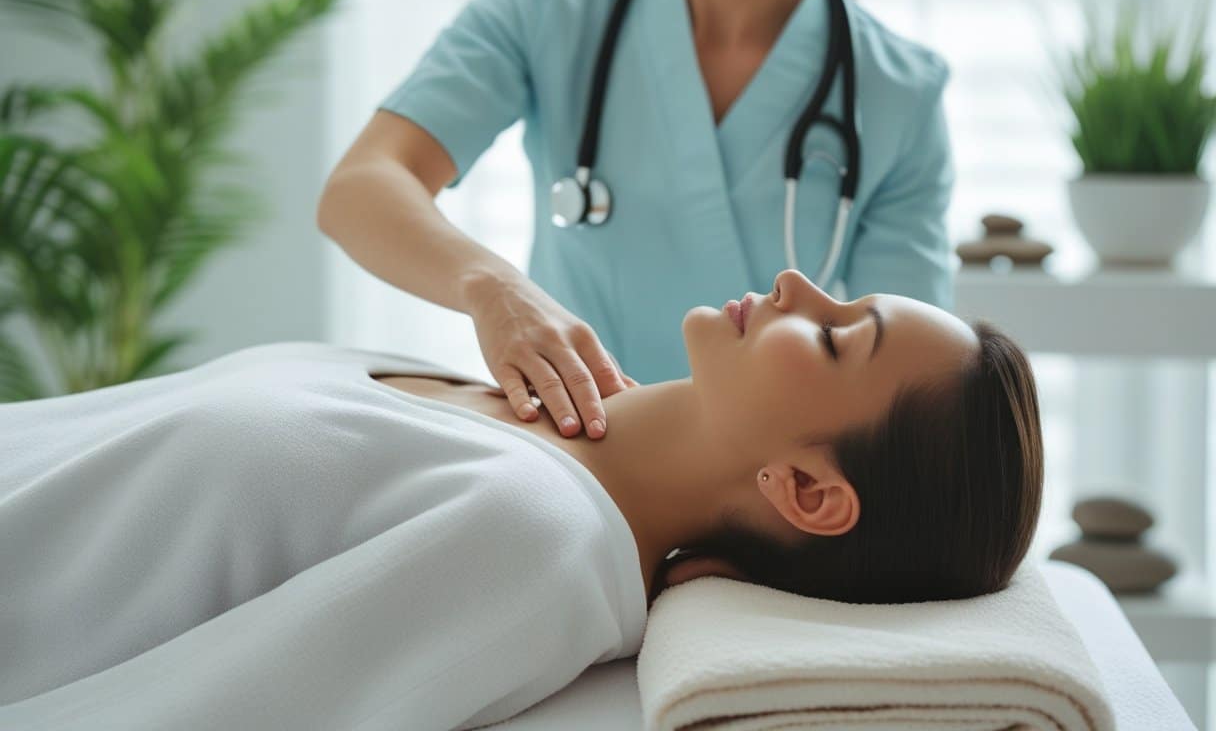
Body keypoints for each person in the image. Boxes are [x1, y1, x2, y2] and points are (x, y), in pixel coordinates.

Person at [0, 270, 1043, 730]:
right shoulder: (528, 400)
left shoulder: (529, 543)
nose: (791, 282)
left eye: (830, 334)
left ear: (809, 491)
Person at [318, 0, 958, 445]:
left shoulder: (900, 93)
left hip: (762, 492)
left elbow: (901, 396)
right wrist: (492, 289)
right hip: (564, 452)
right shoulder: (554, 2)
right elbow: (360, 188)